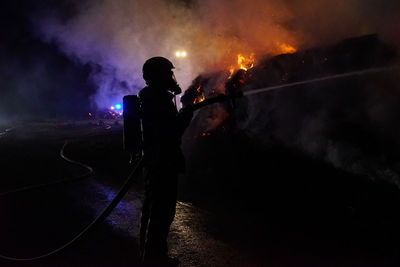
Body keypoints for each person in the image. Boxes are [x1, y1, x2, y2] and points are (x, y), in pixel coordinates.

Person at [138, 57, 193, 265]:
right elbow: (172, 132)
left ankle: (154, 255)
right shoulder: (157, 99)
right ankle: (155, 258)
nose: (171, 77)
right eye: (167, 73)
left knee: (158, 211)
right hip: (162, 162)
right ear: (158, 76)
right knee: (162, 212)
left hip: (157, 161)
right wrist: (187, 111)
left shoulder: (154, 97)